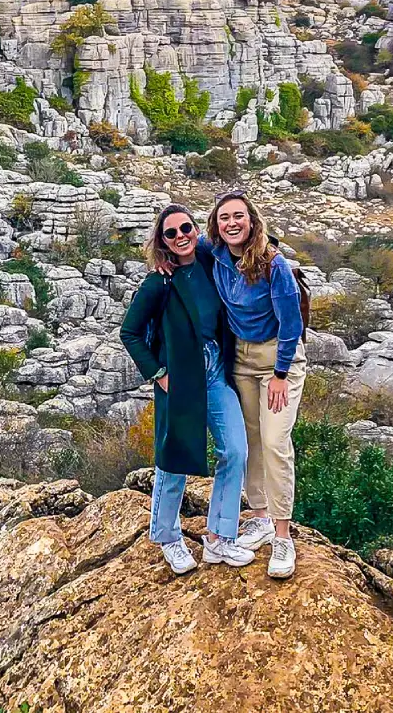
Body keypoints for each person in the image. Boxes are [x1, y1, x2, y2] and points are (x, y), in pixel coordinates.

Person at [120, 203, 254, 575]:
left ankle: (219, 537)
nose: (180, 237)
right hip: (178, 377)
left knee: (235, 451)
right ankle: (167, 537)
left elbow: (250, 245)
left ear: (196, 229)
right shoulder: (158, 283)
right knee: (173, 456)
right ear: (161, 241)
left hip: (215, 373)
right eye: (171, 233)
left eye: (185, 228)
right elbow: (129, 333)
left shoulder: (213, 263)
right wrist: (158, 373)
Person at [204, 191, 306, 579]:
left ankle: (283, 535)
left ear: (252, 221)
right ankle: (260, 517)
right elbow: (176, 241)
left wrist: (280, 374)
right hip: (241, 361)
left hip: (279, 359)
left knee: (276, 441)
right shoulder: (215, 252)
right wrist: (161, 262)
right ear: (217, 224)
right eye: (225, 217)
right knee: (250, 442)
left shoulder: (272, 264)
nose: (232, 223)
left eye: (239, 217)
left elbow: (292, 323)